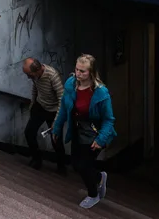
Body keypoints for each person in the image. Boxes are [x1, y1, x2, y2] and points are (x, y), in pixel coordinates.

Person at [51, 54, 116, 209]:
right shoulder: (70, 84)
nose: (78, 74)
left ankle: (93, 195)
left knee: (84, 165)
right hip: (77, 130)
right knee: (75, 164)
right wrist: (57, 127)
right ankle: (100, 176)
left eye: (82, 71)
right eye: (77, 70)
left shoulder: (101, 93)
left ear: (91, 72)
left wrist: (101, 139)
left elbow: (109, 120)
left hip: (94, 132)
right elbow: (64, 108)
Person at [22, 57, 66, 173]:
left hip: (54, 110)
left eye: (29, 75)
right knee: (29, 132)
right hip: (40, 106)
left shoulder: (52, 76)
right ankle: (36, 160)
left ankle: (62, 167)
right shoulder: (35, 76)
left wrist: (56, 121)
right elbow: (35, 87)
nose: (28, 77)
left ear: (37, 71)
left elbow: (62, 98)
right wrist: (33, 102)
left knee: (56, 139)